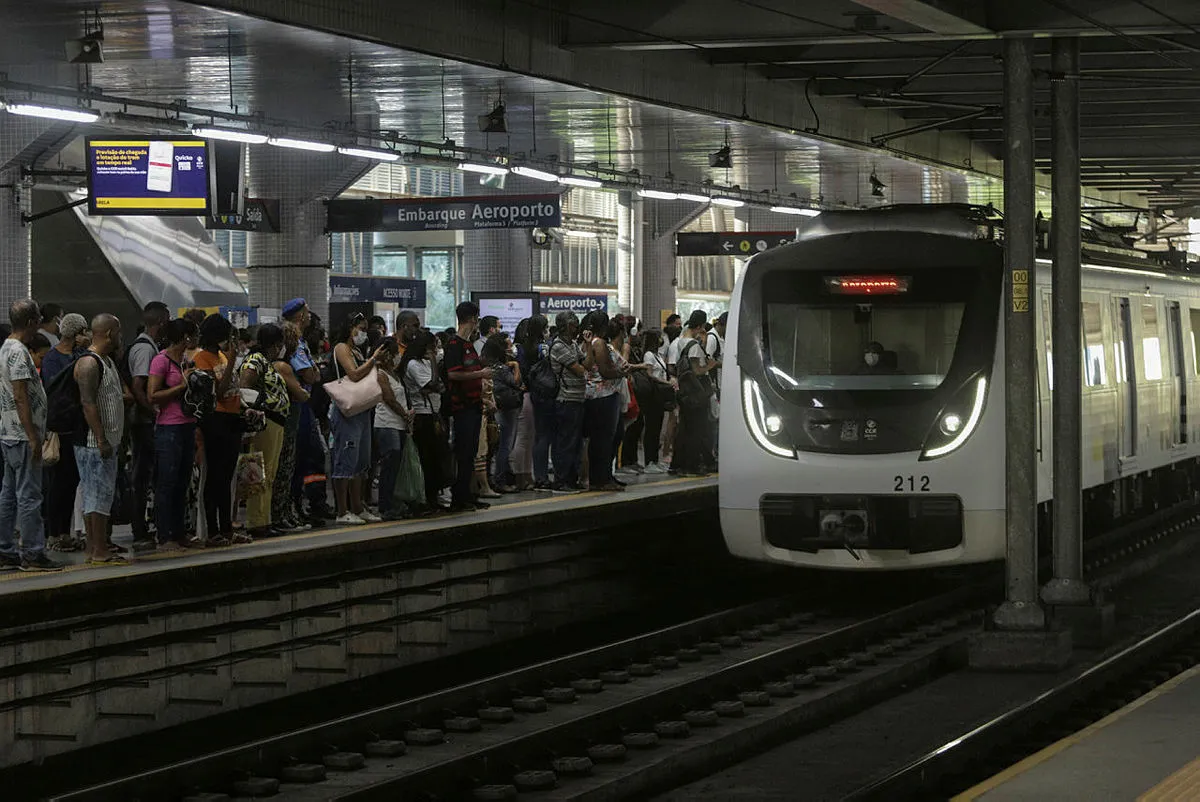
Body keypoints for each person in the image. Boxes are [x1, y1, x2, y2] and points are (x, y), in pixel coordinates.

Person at [0, 299, 60, 572]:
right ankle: (33, 554)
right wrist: (34, 436)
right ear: (33, 322)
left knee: (9, 494)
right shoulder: (19, 352)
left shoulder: (5, 348)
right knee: (29, 496)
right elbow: (21, 395)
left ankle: (6, 550)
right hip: (23, 435)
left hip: (9, 432)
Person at [74, 314, 131, 566]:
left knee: (98, 495)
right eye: (118, 332)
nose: (120, 337)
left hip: (105, 440)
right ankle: (98, 550)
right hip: (93, 442)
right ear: (108, 333)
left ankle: (95, 547)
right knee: (97, 496)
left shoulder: (106, 361)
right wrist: (101, 439)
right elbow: (87, 404)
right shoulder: (89, 363)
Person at [330, 312, 386, 525]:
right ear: (350, 327)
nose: (362, 333)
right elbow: (353, 374)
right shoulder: (341, 348)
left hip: (362, 409)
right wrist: (373, 359)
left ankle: (357, 505)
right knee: (345, 459)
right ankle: (342, 510)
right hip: (346, 410)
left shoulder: (356, 349)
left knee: (362, 461)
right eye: (360, 328)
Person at [148, 317, 198, 550]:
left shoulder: (186, 361)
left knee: (182, 481)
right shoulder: (161, 361)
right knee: (167, 481)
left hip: (188, 424)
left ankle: (180, 531)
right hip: (169, 426)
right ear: (185, 337)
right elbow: (153, 395)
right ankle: (164, 533)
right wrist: (182, 386)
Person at [192, 314, 242, 547]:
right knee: (215, 478)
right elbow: (218, 392)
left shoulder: (221, 355)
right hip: (216, 420)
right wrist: (232, 362)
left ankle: (227, 527)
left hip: (232, 418)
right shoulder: (202, 358)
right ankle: (213, 531)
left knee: (227, 477)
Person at [127, 301, 170, 552]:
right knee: (142, 476)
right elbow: (138, 385)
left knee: (146, 475)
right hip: (143, 423)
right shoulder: (145, 350)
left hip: (144, 420)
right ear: (161, 322)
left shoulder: (149, 346)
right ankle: (138, 529)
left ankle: (145, 525)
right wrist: (153, 411)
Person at [240, 324, 290, 539]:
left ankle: (264, 518)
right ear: (275, 344)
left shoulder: (266, 362)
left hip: (276, 422)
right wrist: (252, 409)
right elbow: (245, 386)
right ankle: (256, 521)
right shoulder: (255, 361)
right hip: (264, 422)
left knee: (269, 473)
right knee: (258, 472)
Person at [444, 301, 494, 512]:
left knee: (472, 453)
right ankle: (459, 497)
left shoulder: (468, 345)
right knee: (463, 453)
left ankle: (469, 494)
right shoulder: (454, 346)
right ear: (472, 319)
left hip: (474, 405)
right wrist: (480, 374)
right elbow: (453, 374)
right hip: (461, 407)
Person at [401, 329, 448, 513]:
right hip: (423, 415)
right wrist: (434, 364)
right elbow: (432, 384)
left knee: (436, 458)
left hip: (434, 413)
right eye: (433, 348)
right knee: (426, 458)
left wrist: (434, 386)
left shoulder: (425, 363)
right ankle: (423, 499)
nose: (436, 351)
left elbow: (440, 387)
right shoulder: (413, 363)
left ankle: (433, 497)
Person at [271, 328, 311, 534]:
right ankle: (281, 514)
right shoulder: (283, 367)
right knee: (284, 470)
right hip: (286, 423)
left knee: (285, 469)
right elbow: (302, 394)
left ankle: (283, 512)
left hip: (285, 422)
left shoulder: (275, 365)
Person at [582, 312, 627, 492]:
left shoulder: (593, 342)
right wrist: (622, 373)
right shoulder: (598, 343)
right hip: (603, 396)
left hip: (601, 395)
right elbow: (605, 371)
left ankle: (605, 476)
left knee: (606, 438)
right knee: (603, 439)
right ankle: (600, 479)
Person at [673, 315, 720, 476]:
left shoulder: (681, 341)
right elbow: (696, 370)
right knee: (697, 430)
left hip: (686, 393)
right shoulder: (693, 345)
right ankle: (692, 466)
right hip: (696, 393)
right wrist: (710, 366)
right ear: (699, 326)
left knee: (685, 429)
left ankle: (681, 465)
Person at [374, 338, 413, 520]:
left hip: (399, 423)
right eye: (395, 352)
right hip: (386, 423)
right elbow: (389, 398)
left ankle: (394, 501)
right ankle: (385, 504)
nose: (398, 355)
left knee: (396, 465)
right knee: (390, 462)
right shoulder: (380, 374)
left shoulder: (395, 373)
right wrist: (404, 413)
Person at [549, 311, 587, 494]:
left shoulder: (572, 344)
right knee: (565, 441)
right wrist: (586, 362)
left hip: (577, 398)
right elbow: (581, 369)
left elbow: (586, 362)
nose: (576, 328)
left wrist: (587, 345)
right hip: (566, 398)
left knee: (575, 442)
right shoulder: (558, 346)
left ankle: (572, 478)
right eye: (573, 324)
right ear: (564, 326)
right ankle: (561, 480)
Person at [482, 332, 522, 493]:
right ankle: (500, 479)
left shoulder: (486, 367)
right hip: (507, 408)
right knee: (505, 445)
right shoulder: (503, 368)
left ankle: (490, 478)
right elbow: (517, 382)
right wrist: (516, 366)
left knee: (492, 447)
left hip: (493, 407)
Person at [638, 329, 675, 474]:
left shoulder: (657, 355)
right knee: (652, 428)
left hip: (659, 396)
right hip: (652, 396)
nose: (662, 340)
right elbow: (649, 375)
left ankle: (655, 460)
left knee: (657, 427)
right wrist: (666, 383)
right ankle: (649, 461)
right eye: (660, 338)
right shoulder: (648, 355)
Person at [41, 313, 89, 382]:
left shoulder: (81, 352)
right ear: (79, 333)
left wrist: (88, 347)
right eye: (84, 332)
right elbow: (53, 386)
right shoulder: (51, 358)